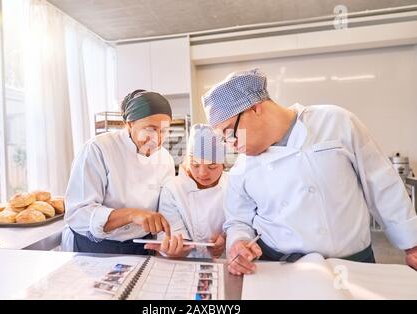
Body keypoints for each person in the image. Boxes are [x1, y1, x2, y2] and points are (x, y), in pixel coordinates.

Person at [201, 68, 417, 275]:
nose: (230, 144)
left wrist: (412, 245)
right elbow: (238, 220)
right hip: (281, 269)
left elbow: (380, 183)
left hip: (353, 265)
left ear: (255, 108)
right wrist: (238, 242)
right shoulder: (242, 167)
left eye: (229, 132)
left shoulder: (335, 122)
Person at [62, 89, 174, 254]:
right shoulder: (98, 149)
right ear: (129, 124)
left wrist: (169, 241)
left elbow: (167, 209)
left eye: (163, 130)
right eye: (150, 129)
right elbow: (78, 214)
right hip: (94, 247)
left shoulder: (165, 159)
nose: (157, 139)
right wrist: (131, 215)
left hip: (141, 247)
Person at [144, 124, 227, 258]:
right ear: (188, 161)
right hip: (185, 266)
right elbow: (172, 232)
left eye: (212, 167)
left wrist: (226, 240)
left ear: (223, 163)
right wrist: (176, 248)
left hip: (225, 263)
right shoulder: (173, 188)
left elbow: (241, 224)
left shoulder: (233, 185)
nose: (202, 173)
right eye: (195, 165)